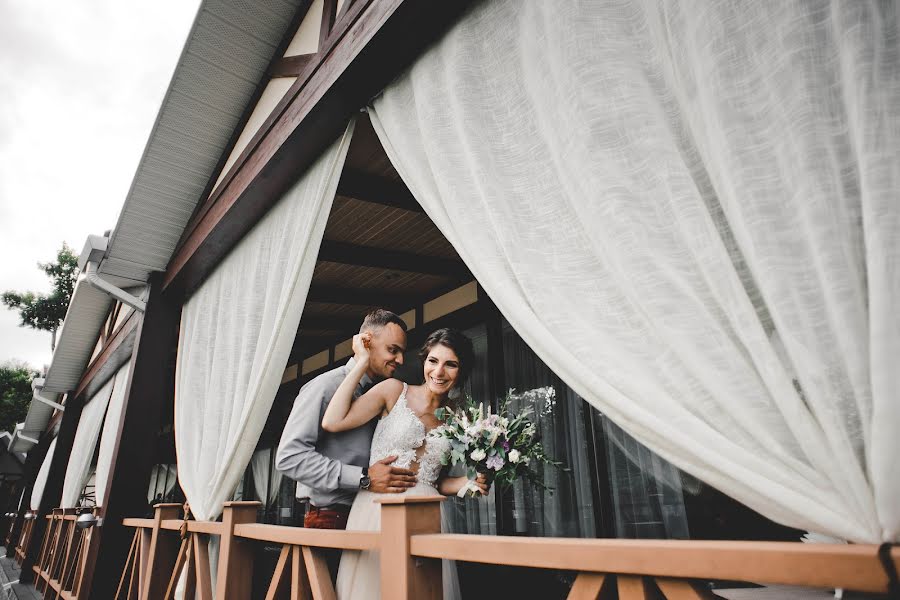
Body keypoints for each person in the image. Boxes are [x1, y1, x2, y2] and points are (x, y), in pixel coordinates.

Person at [322, 327, 489, 600]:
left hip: (427, 516)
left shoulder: (459, 419)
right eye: (433, 361)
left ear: (462, 370)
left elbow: (435, 480)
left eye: (451, 364)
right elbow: (333, 421)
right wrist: (362, 362)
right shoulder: (393, 391)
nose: (439, 372)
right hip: (377, 509)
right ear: (424, 361)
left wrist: (469, 483)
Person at [275, 309, 418, 578]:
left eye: (402, 352)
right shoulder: (325, 387)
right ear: (366, 342)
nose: (399, 359)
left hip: (372, 520)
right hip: (331, 521)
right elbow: (289, 457)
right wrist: (363, 479)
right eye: (393, 350)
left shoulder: (386, 394)